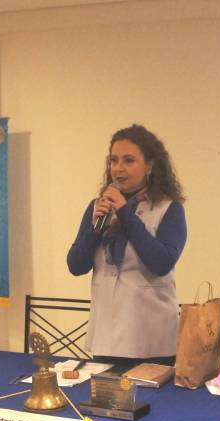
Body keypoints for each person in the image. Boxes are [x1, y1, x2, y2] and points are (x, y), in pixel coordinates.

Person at [66, 124, 187, 365]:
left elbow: (162, 263)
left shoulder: (168, 209)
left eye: (129, 160)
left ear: (150, 166)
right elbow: (76, 265)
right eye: (113, 160)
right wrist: (96, 229)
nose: (118, 168)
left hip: (151, 338)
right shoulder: (98, 206)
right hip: (106, 335)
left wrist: (124, 212)